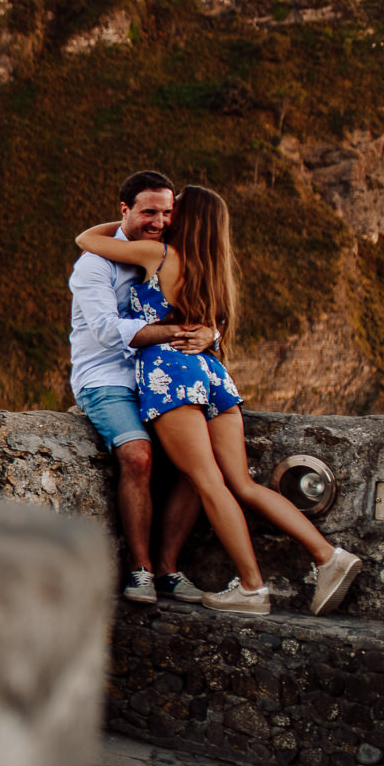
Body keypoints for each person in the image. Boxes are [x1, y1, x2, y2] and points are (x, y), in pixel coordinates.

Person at [75, 184, 362, 616]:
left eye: (173, 213)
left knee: (208, 482)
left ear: (186, 219)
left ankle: (251, 586)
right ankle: (327, 556)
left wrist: (132, 219)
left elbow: (86, 240)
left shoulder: (160, 256)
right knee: (241, 483)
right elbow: (212, 326)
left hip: (171, 371)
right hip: (212, 372)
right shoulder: (216, 269)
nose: (165, 221)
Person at [68, 170, 208, 605]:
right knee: (138, 456)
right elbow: (108, 332)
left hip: (156, 374)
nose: (159, 221)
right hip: (105, 377)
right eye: (149, 211)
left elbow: (207, 310)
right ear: (124, 210)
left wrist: (209, 335)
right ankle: (140, 570)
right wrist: (173, 332)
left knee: (198, 465)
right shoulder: (94, 265)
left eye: (167, 212)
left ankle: (168, 568)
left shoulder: (169, 256)